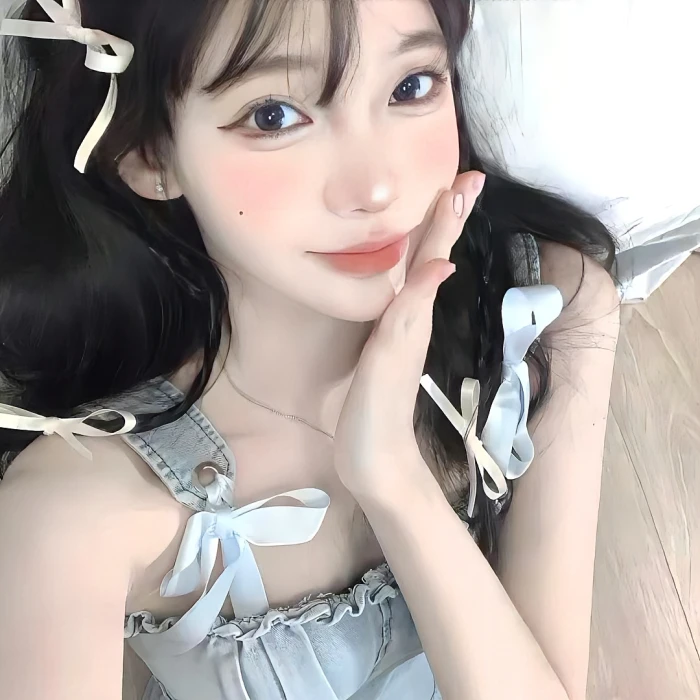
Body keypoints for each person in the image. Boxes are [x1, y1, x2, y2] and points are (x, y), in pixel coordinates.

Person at [0, 0, 620, 699]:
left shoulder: (546, 310)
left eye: (411, 85)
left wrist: (395, 480)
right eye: (273, 116)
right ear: (148, 153)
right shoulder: (76, 513)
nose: (376, 188)